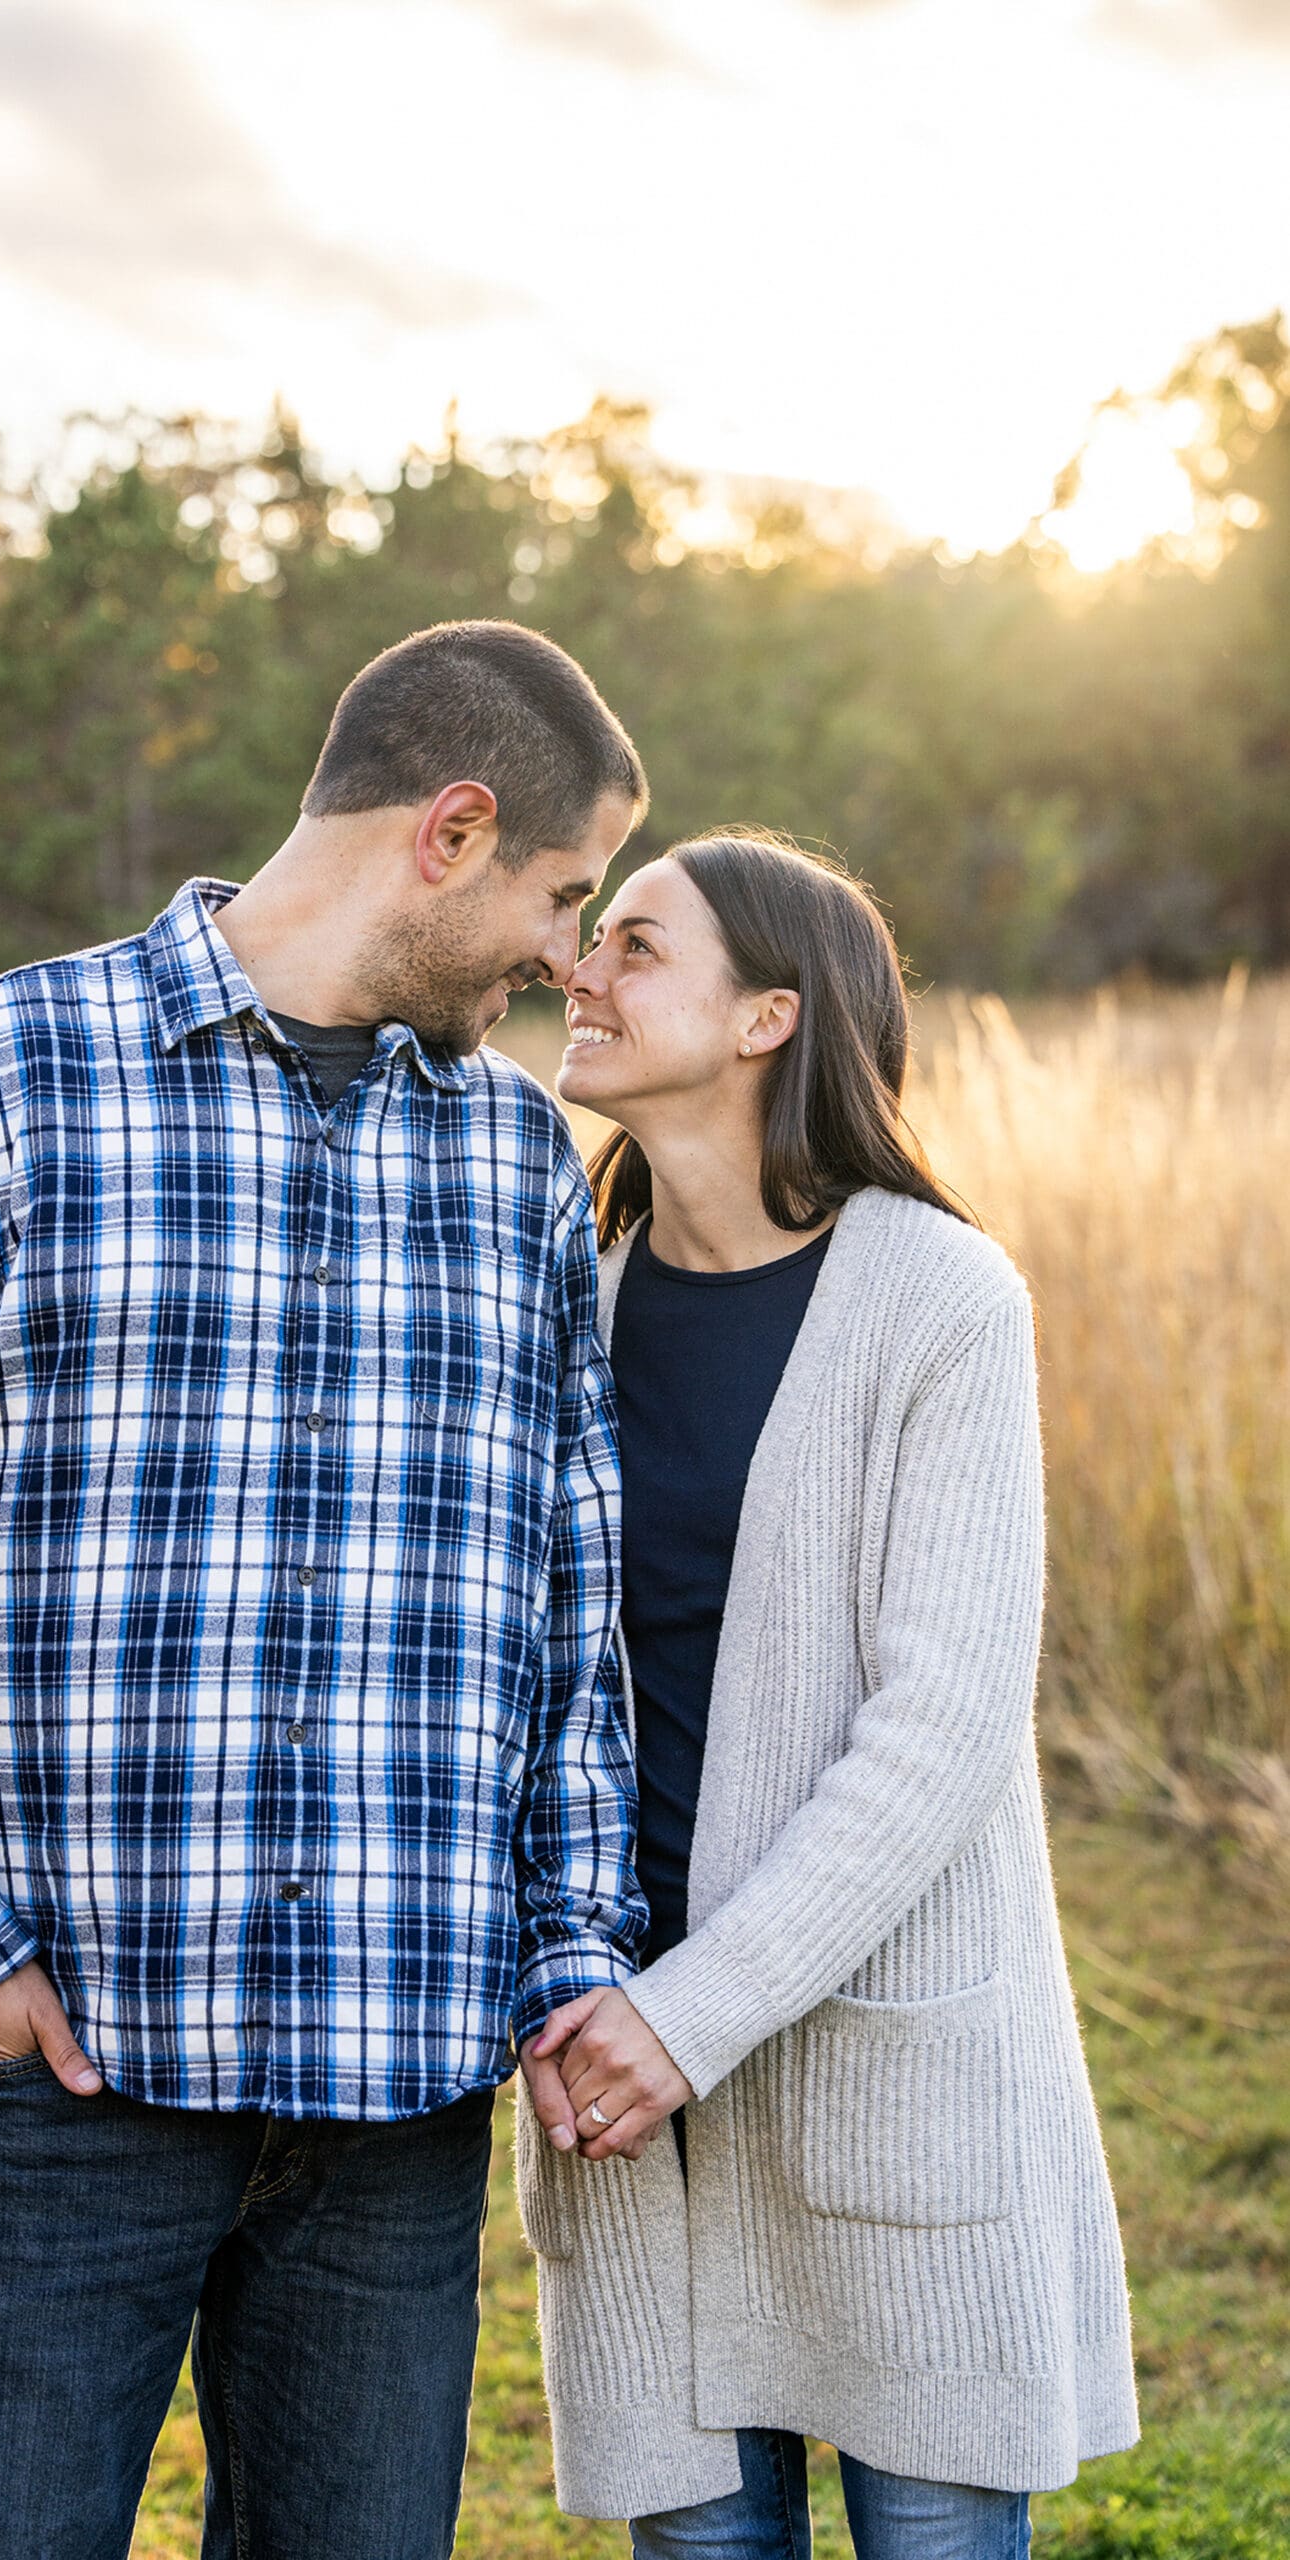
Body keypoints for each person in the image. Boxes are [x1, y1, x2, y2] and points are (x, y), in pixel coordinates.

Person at [0, 620, 651, 2560]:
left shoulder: (514, 1162)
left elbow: (569, 1600)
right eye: (561, 896)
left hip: (394, 2110)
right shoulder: (3, 1076)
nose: (569, 963)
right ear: (453, 826)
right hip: (60, 2082)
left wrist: (573, 1939)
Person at [518, 831, 1138, 2556]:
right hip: (627, 2094)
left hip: (874, 2071)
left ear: (764, 1019)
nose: (581, 966)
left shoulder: (938, 1300)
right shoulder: (562, 1307)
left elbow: (938, 1731)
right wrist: (588, 1998)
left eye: (636, 944)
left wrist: (688, 2015)